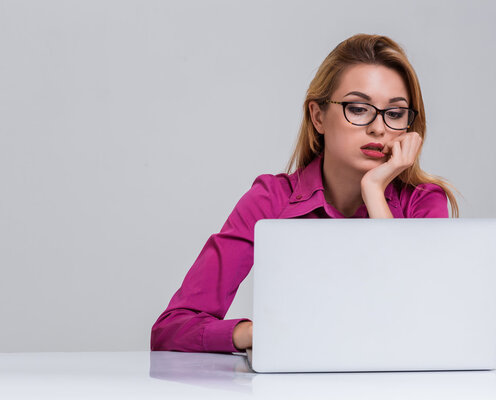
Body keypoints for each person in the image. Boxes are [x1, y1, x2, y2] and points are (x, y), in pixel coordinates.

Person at [150, 33, 460, 353]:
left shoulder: (424, 202)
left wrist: (374, 190)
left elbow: (419, 321)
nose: (378, 128)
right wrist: (255, 334)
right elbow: (170, 329)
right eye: (358, 108)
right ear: (318, 116)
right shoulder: (271, 200)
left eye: (394, 113)